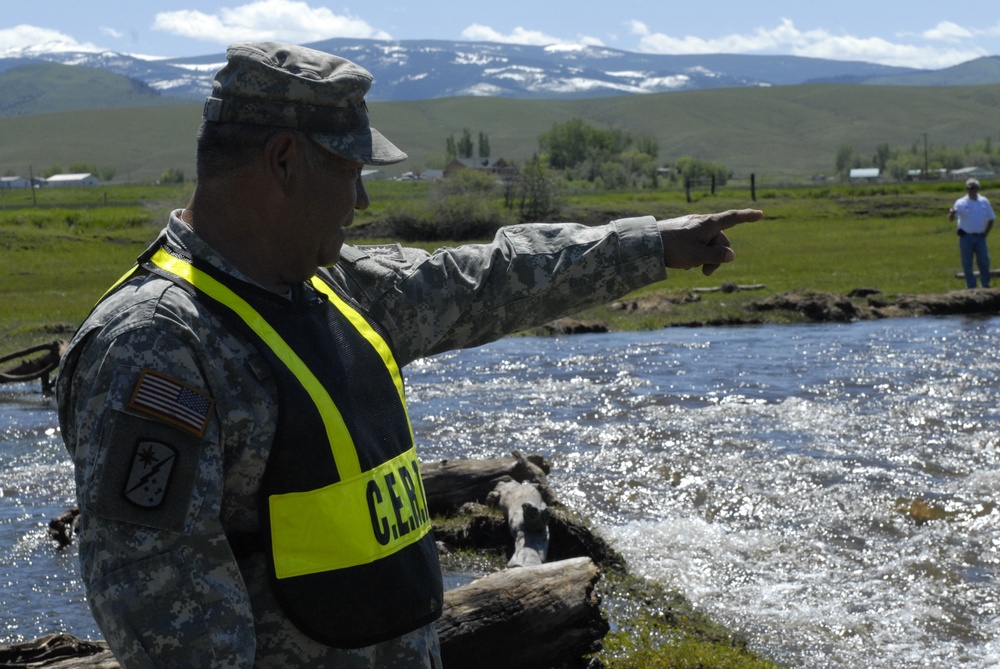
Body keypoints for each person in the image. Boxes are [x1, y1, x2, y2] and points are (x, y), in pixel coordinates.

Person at [56, 41, 762, 668]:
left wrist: (650, 244)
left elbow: (484, 278)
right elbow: (171, 622)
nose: (361, 199)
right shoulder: (159, 345)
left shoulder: (328, 287)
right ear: (283, 160)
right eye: (351, 169)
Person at [949, 177, 995, 288]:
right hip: (966, 236)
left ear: (978, 189)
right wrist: (952, 213)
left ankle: (985, 284)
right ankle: (970, 285)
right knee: (967, 262)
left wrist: (986, 232)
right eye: (968, 188)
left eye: (973, 188)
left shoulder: (984, 201)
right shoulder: (961, 202)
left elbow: (991, 218)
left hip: (980, 237)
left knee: (984, 261)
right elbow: (951, 218)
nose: (971, 190)